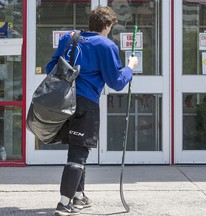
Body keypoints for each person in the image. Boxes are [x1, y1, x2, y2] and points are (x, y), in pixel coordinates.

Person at [45, 5, 138, 216]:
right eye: (111, 27)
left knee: (77, 148)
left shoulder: (69, 38)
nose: (110, 30)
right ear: (106, 26)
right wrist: (130, 67)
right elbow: (116, 81)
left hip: (62, 100)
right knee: (78, 153)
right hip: (85, 103)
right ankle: (64, 203)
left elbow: (51, 66)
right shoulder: (106, 45)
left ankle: (78, 197)